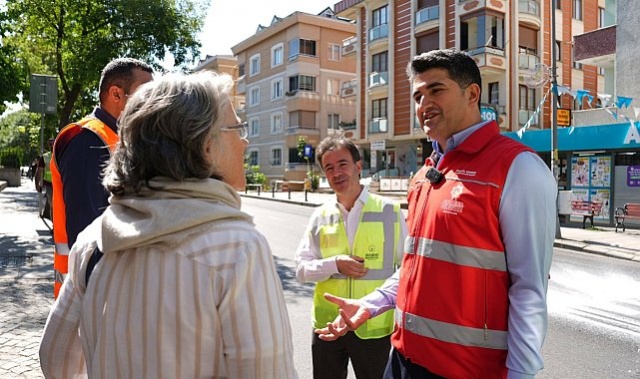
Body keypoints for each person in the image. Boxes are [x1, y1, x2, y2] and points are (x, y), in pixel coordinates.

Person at [315, 49, 556, 378]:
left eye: (436, 90)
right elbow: (416, 267)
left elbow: (529, 289)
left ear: (472, 94)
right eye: (418, 95)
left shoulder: (518, 167)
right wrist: (371, 304)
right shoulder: (425, 174)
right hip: (402, 361)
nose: (423, 104)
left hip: (468, 371)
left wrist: (521, 374)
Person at [39, 71, 298, 378]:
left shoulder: (93, 240)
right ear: (204, 145)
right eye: (237, 128)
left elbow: (56, 363)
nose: (245, 140)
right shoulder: (238, 247)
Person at [295, 134, 408, 379]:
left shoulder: (390, 211)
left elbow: (408, 268)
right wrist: (335, 264)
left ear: (358, 166)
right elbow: (301, 269)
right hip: (328, 325)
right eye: (329, 167)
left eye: (343, 164)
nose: (337, 172)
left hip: (372, 326)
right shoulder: (320, 216)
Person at [49, 58, 153, 298]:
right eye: (145, 93)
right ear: (116, 94)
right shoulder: (86, 139)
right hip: (90, 295)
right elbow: (89, 234)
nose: (152, 101)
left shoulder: (118, 139)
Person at [35, 137, 55, 220]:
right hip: (49, 183)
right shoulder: (45, 157)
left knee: (59, 205)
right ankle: (54, 226)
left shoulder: (60, 155)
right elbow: (39, 171)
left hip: (59, 184)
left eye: (53, 143)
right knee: (52, 204)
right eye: (50, 144)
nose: (52, 145)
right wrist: (37, 183)